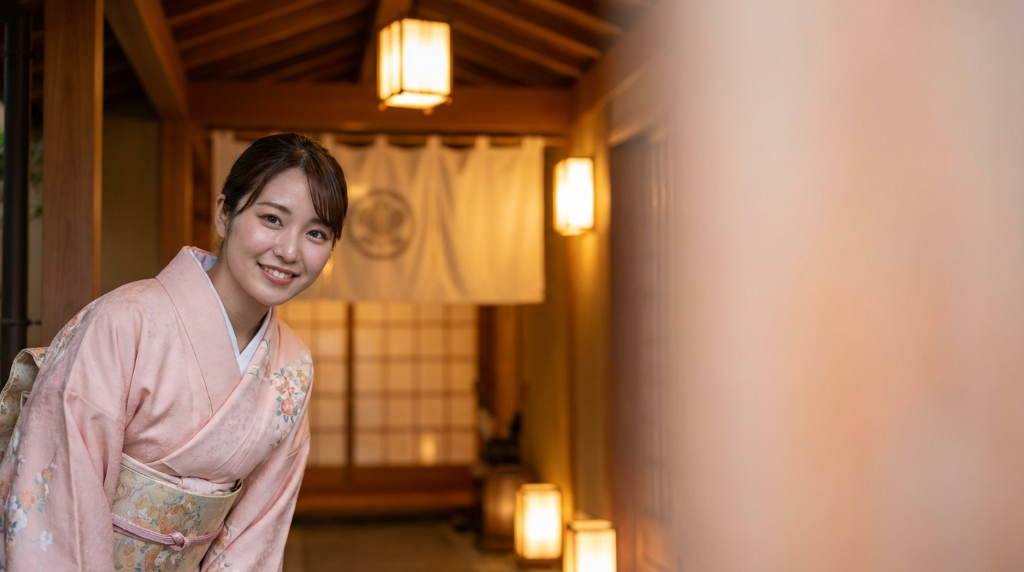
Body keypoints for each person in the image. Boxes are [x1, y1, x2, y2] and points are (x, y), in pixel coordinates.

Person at [0, 133, 347, 572]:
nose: (290, 250)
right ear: (225, 213)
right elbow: (63, 490)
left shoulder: (293, 367)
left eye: (316, 232)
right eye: (272, 219)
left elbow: (259, 526)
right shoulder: (124, 321)